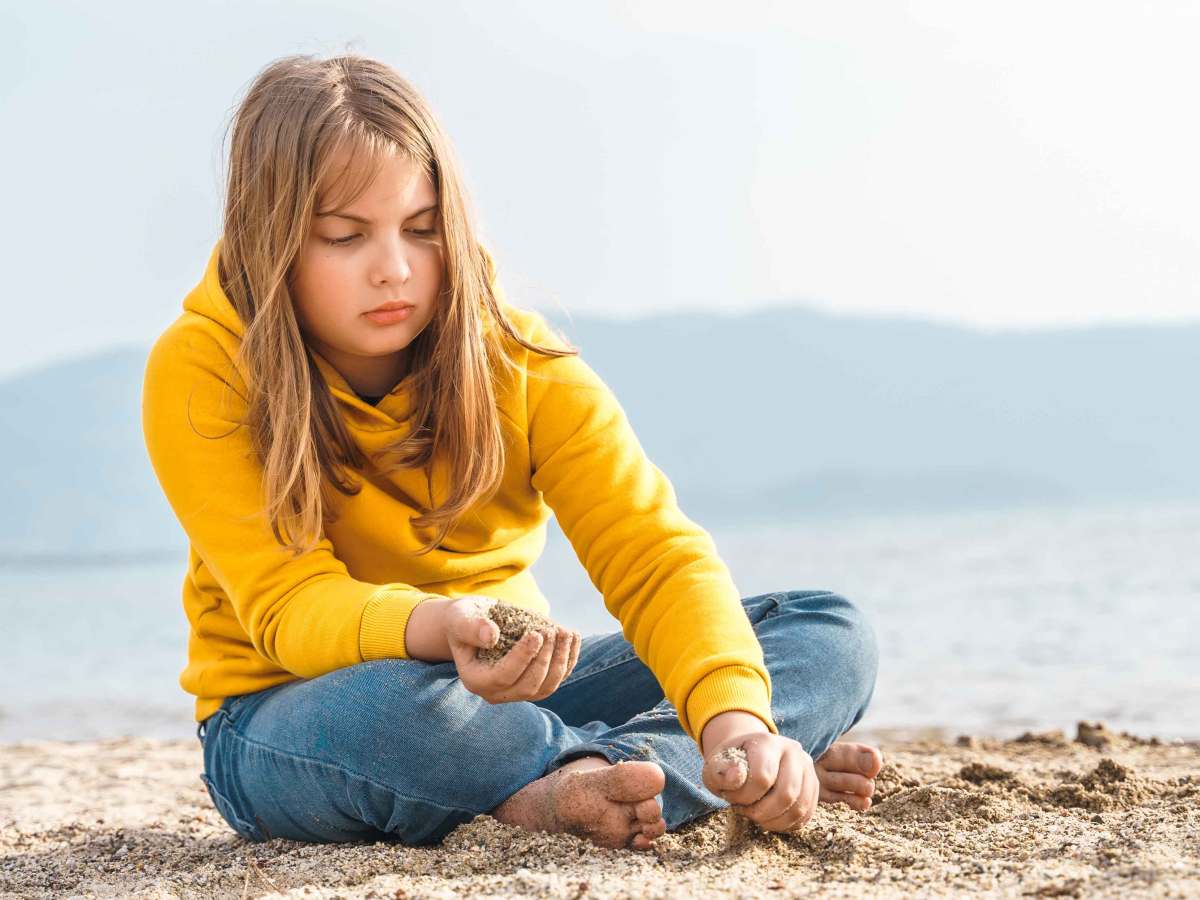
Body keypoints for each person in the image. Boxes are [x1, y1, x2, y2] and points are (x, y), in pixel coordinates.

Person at [141, 53, 882, 852]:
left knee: (825, 631)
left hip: (513, 701)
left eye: (422, 230)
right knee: (390, 714)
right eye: (345, 236)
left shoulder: (517, 359)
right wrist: (438, 622)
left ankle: (595, 782)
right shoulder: (205, 365)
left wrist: (737, 723)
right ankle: (652, 775)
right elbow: (289, 606)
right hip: (290, 717)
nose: (394, 269)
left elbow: (651, 552)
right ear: (271, 239)